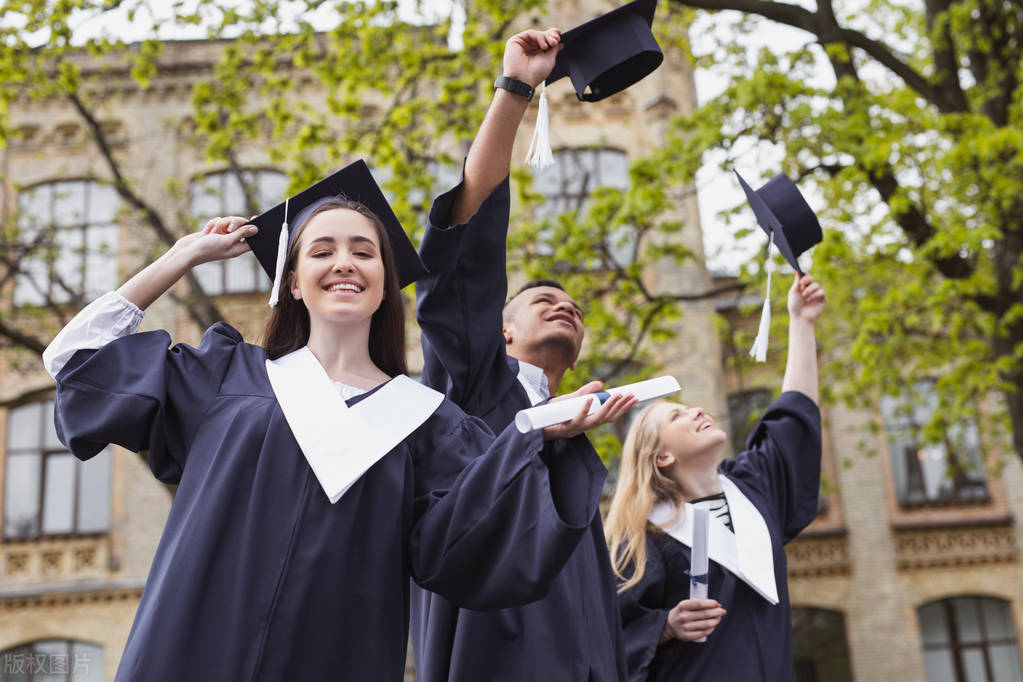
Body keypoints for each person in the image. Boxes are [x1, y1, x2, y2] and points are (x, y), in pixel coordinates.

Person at [42, 162, 625, 682]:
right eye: (321, 251)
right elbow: (75, 362)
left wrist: (536, 439)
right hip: (186, 653)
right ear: (292, 282)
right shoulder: (224, 377)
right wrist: (182, 256)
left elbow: (476, 549)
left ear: (384, 286)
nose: (343, 262)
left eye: (363, 252)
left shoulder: (430, 427)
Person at [411, 27, 638, 682]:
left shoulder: (574, 442)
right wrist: (514, 90)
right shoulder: (473, 390)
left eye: (574, 306)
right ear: (498, 332)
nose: (564, 305)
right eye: (542, 300)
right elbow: (465, 249)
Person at [604, 273, 828, 682]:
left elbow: (794, 415)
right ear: (661, 457)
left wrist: (801, 321)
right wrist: (666, 627)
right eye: (676, 415)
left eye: (690, 406)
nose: (696, 411)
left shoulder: (753, 488)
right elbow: (604, 637)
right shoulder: (642, 537)